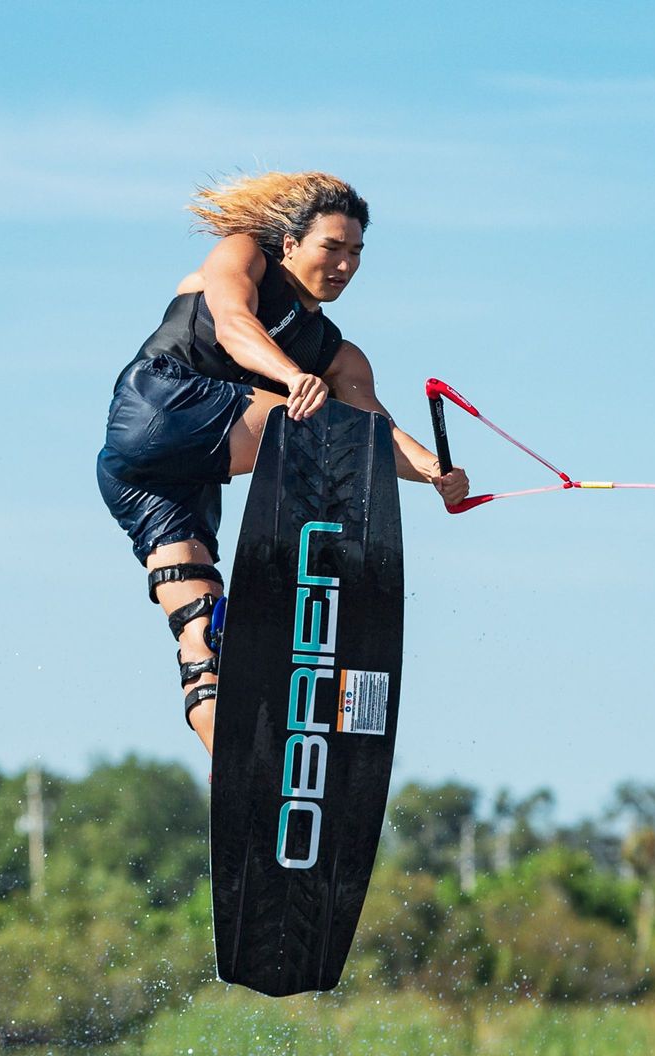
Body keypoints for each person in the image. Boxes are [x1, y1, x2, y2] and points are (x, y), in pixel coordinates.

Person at [97, 170, 470, 755]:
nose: (344, 265)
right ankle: (301, 597)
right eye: (332, 247)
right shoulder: (244, 256)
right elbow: (233, 322)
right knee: (321, 429)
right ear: (291, 243)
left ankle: (236, 769)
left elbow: (376, 431)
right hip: (162, 407)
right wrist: (292, 375)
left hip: (157, 478)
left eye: (356, 253)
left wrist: (435, 473)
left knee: (199, 634)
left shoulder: (338, 355)